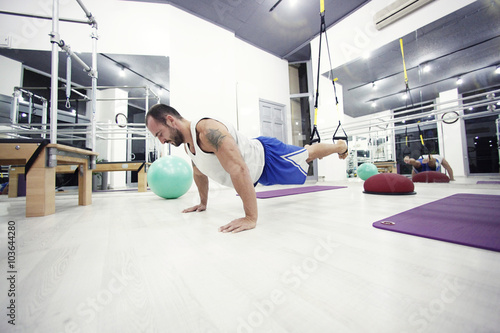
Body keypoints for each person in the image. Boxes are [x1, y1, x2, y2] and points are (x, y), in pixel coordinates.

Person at [146, 104, 348, 233]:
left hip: (268, 157)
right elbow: (199, 172)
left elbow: (239, 169)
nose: (162, 140)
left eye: (160, 134)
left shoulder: (207, 131)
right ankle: (316, 149)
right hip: (257, 175)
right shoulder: (189, 145)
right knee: (304, 154)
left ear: (171, 120)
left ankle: (340, 146)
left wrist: (250, 218)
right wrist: (203, 203)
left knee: (307, 155)